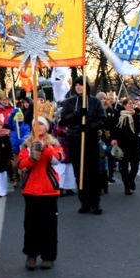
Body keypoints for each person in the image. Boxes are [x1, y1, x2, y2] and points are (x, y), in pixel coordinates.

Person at [17, 116, 65, 271]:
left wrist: (44, 148)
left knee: (49, 226)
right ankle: (31, 255)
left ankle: (48, 256)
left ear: (47, 127)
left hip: (49, 190)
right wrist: (32, 157)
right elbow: (20, 166)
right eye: (35, 124)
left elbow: (58, 159)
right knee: (31, 225)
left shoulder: (54, 143)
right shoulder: (26, 144)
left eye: (41, 124)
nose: (38, 126)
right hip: (30, 190)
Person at [58, 76, 107, 215]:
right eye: (76, 85)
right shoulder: (70, 102)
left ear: (87, 87)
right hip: (74, 139)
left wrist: (90, 126)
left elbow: (102, 119)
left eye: (81, 85)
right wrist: (78, 114)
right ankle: (84, 201)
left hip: (90, 140)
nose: (79, 87)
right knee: (80, 172)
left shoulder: (95, 102)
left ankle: (95, 201)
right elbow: (63, 120)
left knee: (93, 172)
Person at [109, 96, 140, 195]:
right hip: (123, 143)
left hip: (134, 143)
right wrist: (114, 138)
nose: (132, 105)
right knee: (124, 166)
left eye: (133, 103)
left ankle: (131, 179)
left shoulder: (136, 115)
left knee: (135, 165)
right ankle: (126, 186)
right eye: (129, 104)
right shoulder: (119, 115)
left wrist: (135, 115)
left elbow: (139, 127)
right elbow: (114, 128)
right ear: (124, 106)